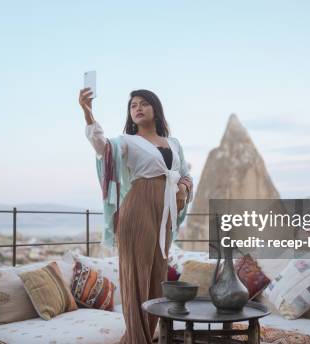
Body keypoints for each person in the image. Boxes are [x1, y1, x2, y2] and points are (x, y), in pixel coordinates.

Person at [80, 87, 193, 343]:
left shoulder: (174, 144)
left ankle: (141, 335)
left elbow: (185, 173)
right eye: (133, 106)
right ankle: (136, 339)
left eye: (143, 103)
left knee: (156, 277)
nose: (138, 108)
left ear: (156, 108)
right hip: (137, 209)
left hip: (164, 212)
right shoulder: (125, 142)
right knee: (136, 276)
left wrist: (184, 187)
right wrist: (88, 113)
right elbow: (101, 148)